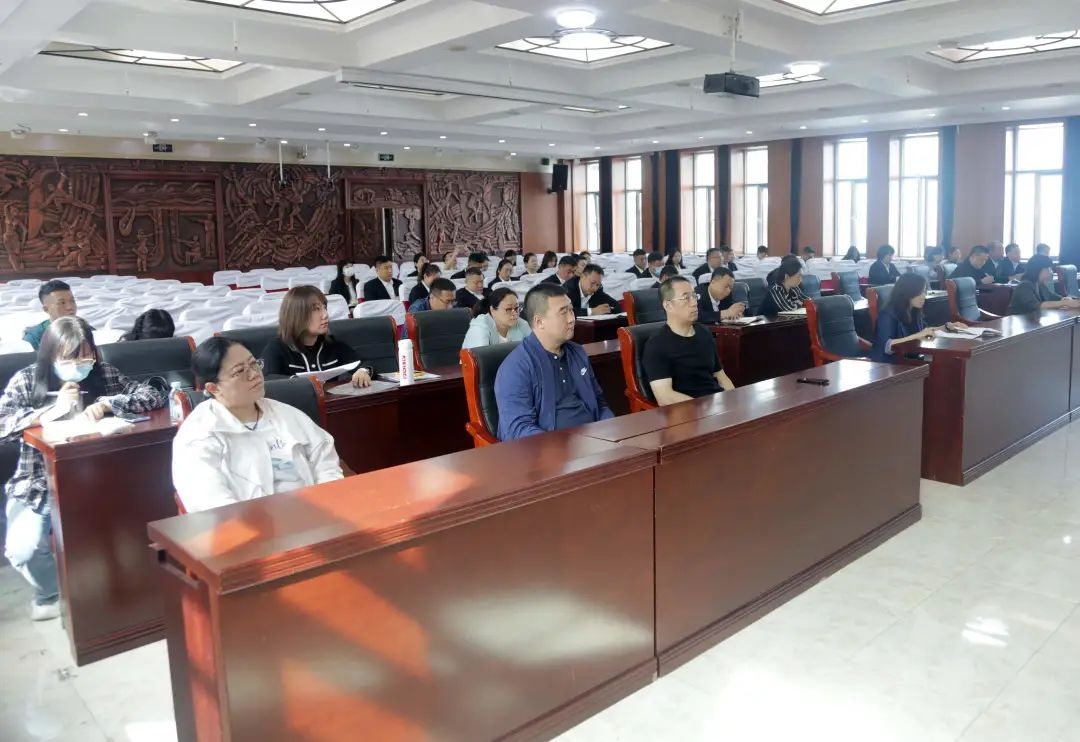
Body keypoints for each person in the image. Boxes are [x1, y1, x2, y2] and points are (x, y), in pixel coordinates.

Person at [1, 317, 166, 620]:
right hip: (39, 480)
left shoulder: (104, 373)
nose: (79, 366)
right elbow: (2, 424)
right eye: (69, 359)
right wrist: (47, 413)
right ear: (50, 354)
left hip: (103, 476)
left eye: (86, 358)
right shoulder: (27, 380)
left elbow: (152, 395)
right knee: (23, 549)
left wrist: (109, 404)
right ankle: (51, 593)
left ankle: (118, 594)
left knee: (135, 527)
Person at [173, 337, 344, 514]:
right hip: (248, 525)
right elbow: (210, 502)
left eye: (254, 364)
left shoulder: (285, 414)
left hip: (315, 515)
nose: (254, 374)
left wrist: (326, 503)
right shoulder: (198, 435)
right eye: (240, 371)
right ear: (213, 388)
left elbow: (325, 461)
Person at [493, 283, 614, 441]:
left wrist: (610, 429)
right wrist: (560, 447)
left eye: (571, 310)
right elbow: (518, 429)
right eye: (563, 312)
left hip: (594, 440)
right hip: (549, 448)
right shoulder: (516, 367)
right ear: (539, 322)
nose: (572, 319)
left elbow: (599, 402)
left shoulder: (577, 353)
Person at [644, 276, 734, 405]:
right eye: (686, 298)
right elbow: (665, 396)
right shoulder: (657, 344)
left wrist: (733, 402)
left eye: (694, 296)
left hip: (716, 404)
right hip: (687, 411)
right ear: (668, 305)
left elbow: (721, 376)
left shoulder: (704, 332)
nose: (694, 303)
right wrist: (703, 409)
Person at [260, 286, 373, 386]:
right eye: (316, 309)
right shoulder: (276, 347)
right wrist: (297, 383)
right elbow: (266, 378)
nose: (325, 315)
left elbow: (365, 363)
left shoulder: (332, 344)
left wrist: (363, 371)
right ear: (297, 315)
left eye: (324, 308)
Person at [871, 273, 966, 362]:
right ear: (908, 292)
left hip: (912, 358)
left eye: (924, 292)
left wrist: (945, 328)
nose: (924, 296)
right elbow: (886, 346)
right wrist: (917, 336)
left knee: (950, 361)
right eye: (920, 292)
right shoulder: (887, 314)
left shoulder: (914, 310)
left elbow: (924, 331)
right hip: (891, 363)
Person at [1008, 256, 1080, 315]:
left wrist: (1066, 299)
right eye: (1048, 269)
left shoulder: (1040, 285)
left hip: (1033, 322)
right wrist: (1065, 302)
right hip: (1019, 324)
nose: (1050, 273)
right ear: (1037, 270)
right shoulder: (1024, 286)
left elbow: (1053, 297)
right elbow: (1036, 306)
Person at [462, 288, 532, 349]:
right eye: (508, 309)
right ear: (492, 310)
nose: (515, 313)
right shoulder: (480, 326)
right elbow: (480, 357)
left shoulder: (521, 323)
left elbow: (535, 347)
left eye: (516, 308)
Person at [22, 280, 77, 350]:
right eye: (62, 303)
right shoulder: (34, 339)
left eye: (72, 301)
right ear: (46, 309)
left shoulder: (85, 330)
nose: (70, 307)